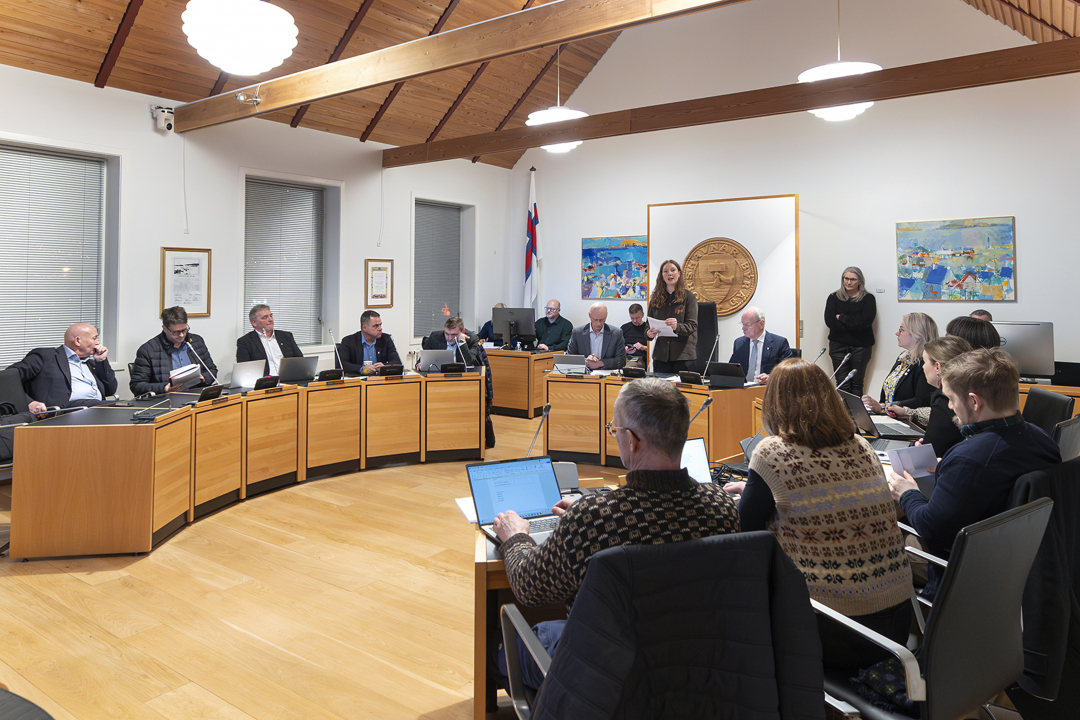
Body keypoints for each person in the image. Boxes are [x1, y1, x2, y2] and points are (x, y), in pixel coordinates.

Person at [493, 378, 740, 689]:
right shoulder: (722, 507)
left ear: (632, 441)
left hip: (608, 680)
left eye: (615, 429)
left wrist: (516, 537)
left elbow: (529, 587)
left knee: (500, 648)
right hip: (697, 674)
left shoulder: (592, 519)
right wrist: (586, 518)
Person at [724, 358, 912, 670]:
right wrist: (761, 493)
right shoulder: (862, 446)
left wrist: (747, 499)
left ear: (774, 404)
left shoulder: (772, 453)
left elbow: (744, 533)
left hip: (833, 627)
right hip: (896, 625)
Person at [888, 348, 1060, 592]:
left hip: (964, 571)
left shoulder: (969, 460)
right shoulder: (1043, 440)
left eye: (951, 399)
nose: (950, 406)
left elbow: (929, 528)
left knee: (882, 541)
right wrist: (947, 469)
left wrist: (907, 494)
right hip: (1018, 566)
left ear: (974, 401)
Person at [887, 335, 972, 457]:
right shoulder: (968, 390)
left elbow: (931, 453)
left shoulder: (944, 399)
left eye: (924, 362)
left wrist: (918, 448)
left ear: (937, 367)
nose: (923, 367)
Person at [421, 316, 496, 447]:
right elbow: (424, 357)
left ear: (463, 332)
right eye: (447, 334)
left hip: (465, 384)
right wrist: (419, 364)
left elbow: (469, 362)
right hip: (440, 384)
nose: (449, 338)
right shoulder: (435, 337)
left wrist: (462, 343)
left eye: (454, 335)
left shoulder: (472, 339)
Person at [11, 324, 118, 411]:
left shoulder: (92, 364)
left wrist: (101, 361)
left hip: (97, 409)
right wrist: (29, 403)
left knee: (123, 408)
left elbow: (110, 390)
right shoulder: (45, 356)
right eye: (94, 338)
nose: (98, 343)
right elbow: (8, 379)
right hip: (64, 411)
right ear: (77, 341)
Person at [130, 306, 218, 395]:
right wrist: (165, 388)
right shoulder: (148, 350)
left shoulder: (196, 342)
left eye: (184, 330)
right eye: (176, 332)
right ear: (164, 328)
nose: (181, 335)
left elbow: (212, 370)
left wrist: (204, 378)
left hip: (197, 395)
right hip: (168, 398)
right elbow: (137, 385)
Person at [863, 312, 938, 414]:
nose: (897, 333)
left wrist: (884, 407)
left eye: (901, 330)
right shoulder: (903, 358)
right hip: (889, 417)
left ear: (917, 334)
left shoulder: (926, 363)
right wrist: (878, 406)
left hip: (908, 420)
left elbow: (922, 401)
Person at [824, 266, 876, 396]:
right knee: (842, 384)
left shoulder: (868, 299)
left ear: (860, 281)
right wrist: (854, 325)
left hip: (861, 347)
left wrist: (841, 318)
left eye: (853, 279)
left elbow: (864, 322)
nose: (848, 282)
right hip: (838, 347)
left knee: (857, 384)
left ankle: (855, 410)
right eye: (846, 278)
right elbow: (830, 322)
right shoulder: (833, 297)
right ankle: (843, 410)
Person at [645, 259, 698, 373]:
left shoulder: (688, 297)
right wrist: (648, 333)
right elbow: (647, 325)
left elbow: (692, 326)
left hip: (683, 356)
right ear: (661, 275)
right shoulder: (655, 298)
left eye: (673, 270)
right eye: (665, 271)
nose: (669, 273)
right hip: (661, 356)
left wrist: (676, 326)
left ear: (679, 273)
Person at [728, 306, 792, 384]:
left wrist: (770, 377)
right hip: (743, 388)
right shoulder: (739, 343)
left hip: (766, 387)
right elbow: (732, 371)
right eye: (742, 324)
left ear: (761, 324)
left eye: (748, 325)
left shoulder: (779, 343)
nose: (743, 328)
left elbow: (789, 372)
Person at [236, 304, 304, 376]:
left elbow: (300, 361)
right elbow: (245, 370)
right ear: (254, 322)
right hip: (265, 381)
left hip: (288, 378)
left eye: (271, 316)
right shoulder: (245, 342)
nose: (270, 320)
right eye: (265, 317)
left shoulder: (286, 336)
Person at [566, 302, 626, 370]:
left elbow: (621, 360)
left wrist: (601, 363)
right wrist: (586, 361)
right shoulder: (577, 332)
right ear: (589, 315)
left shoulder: (616, 333)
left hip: (606, 373)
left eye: (602, 320)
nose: (598, 323)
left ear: (606, 315)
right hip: (584, 372)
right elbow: (569, 357)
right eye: (595, 320)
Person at [338, 310, 401, 375]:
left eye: (380, 325)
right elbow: (342, 365)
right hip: (358, 379)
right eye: (376, 326)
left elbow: (397, 362)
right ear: (364, 327)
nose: (380, 328)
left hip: (379, 379)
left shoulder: (386, 339)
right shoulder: (349, 341)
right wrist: (361, 369)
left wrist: (384, 367)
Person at [620, 303, 649, 367]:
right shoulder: (624, 328)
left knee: (628, 367)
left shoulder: (648, 329)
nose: (635, 321)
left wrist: (643, 347)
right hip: (625, 357)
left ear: (642, 315)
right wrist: (624, 350)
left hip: (639, 358)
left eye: (637, 318)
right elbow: (617, 346)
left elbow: (654, 350)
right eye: (632, 318)